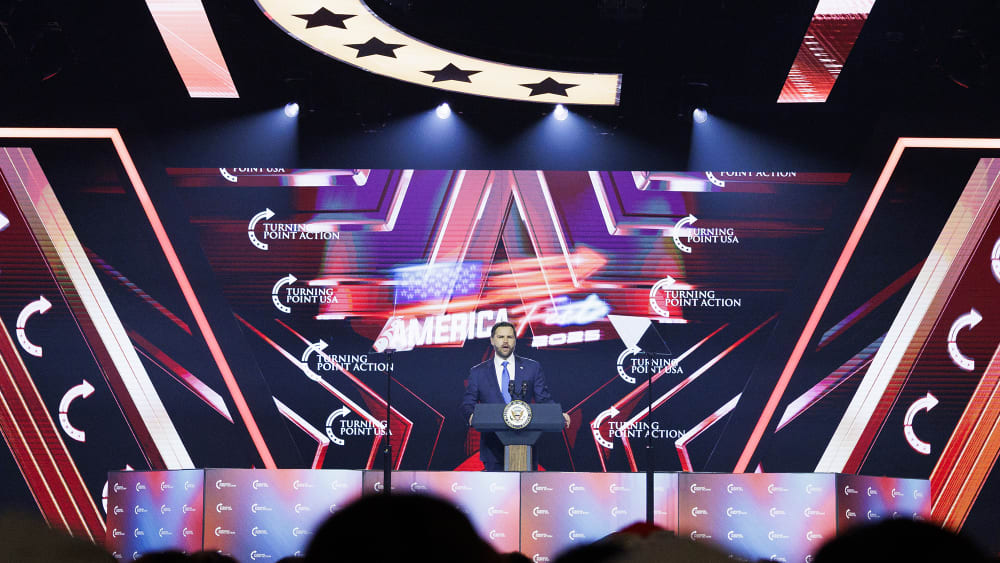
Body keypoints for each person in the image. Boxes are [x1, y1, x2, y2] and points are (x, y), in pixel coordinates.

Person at [461, 321, 570, 471]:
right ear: (492, 340)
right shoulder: (478, 372)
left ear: (515, 340)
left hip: (525, 445)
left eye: (509, 337)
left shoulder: (532, 367)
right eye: (500, 337)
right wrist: (471, 416)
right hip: (492, 448)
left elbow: (543, 399)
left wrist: (557, 415)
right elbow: (468, 403)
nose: (505, 341)